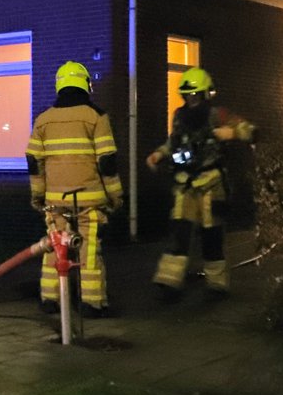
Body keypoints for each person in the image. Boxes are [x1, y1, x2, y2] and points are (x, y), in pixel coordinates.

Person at [146, 67, 255, 298]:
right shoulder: (179, 116)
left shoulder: (219, 115)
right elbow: (173, 142)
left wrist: (232, 133)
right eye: (188, 96)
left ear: (206, 94)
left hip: (211, 184)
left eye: (195, 95)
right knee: (178, 234)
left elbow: (250, 130)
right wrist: (159, 154)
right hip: (184, 183)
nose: (191, 100)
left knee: (212, 236)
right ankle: (168, 282)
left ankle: (216, 284)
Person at [26, 61, 124, 317]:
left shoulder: (43, 120)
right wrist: (115, 196)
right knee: (88, 251)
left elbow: (34, 162)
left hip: (55, 201)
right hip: (89, 201)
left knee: (54, 248)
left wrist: (37, 195)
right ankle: (91, 304)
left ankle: (50, 299)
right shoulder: (96, 117)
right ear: (85, 85)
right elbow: (107, 162)